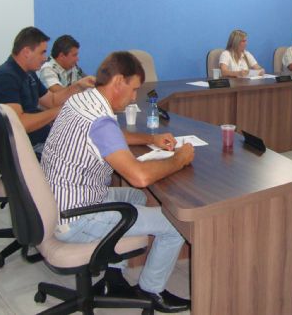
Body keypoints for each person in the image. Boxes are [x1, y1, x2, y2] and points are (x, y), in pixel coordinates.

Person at [41, 51, 194, 313]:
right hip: (76, 218)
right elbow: (139, 176)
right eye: (133, 89)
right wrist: (179, 159)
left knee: (136, 197)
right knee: (174, 224)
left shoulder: (83, 99)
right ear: (119, 81)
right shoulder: (99, 120)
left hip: (60, 201)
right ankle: (151, 290)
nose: (134, 97)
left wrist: (151, 139)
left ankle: (114, 275)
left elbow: (112, 134)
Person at [0, 27, 94, 151]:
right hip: (27, 149)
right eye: (42, 52)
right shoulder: (4, 78)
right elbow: (20, 123)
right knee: (91, 152)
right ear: (26, 52)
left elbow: (52, 100)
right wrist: (62, 110)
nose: (45, 58)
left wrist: (78, 86)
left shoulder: (28, 74)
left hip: (41, 140)